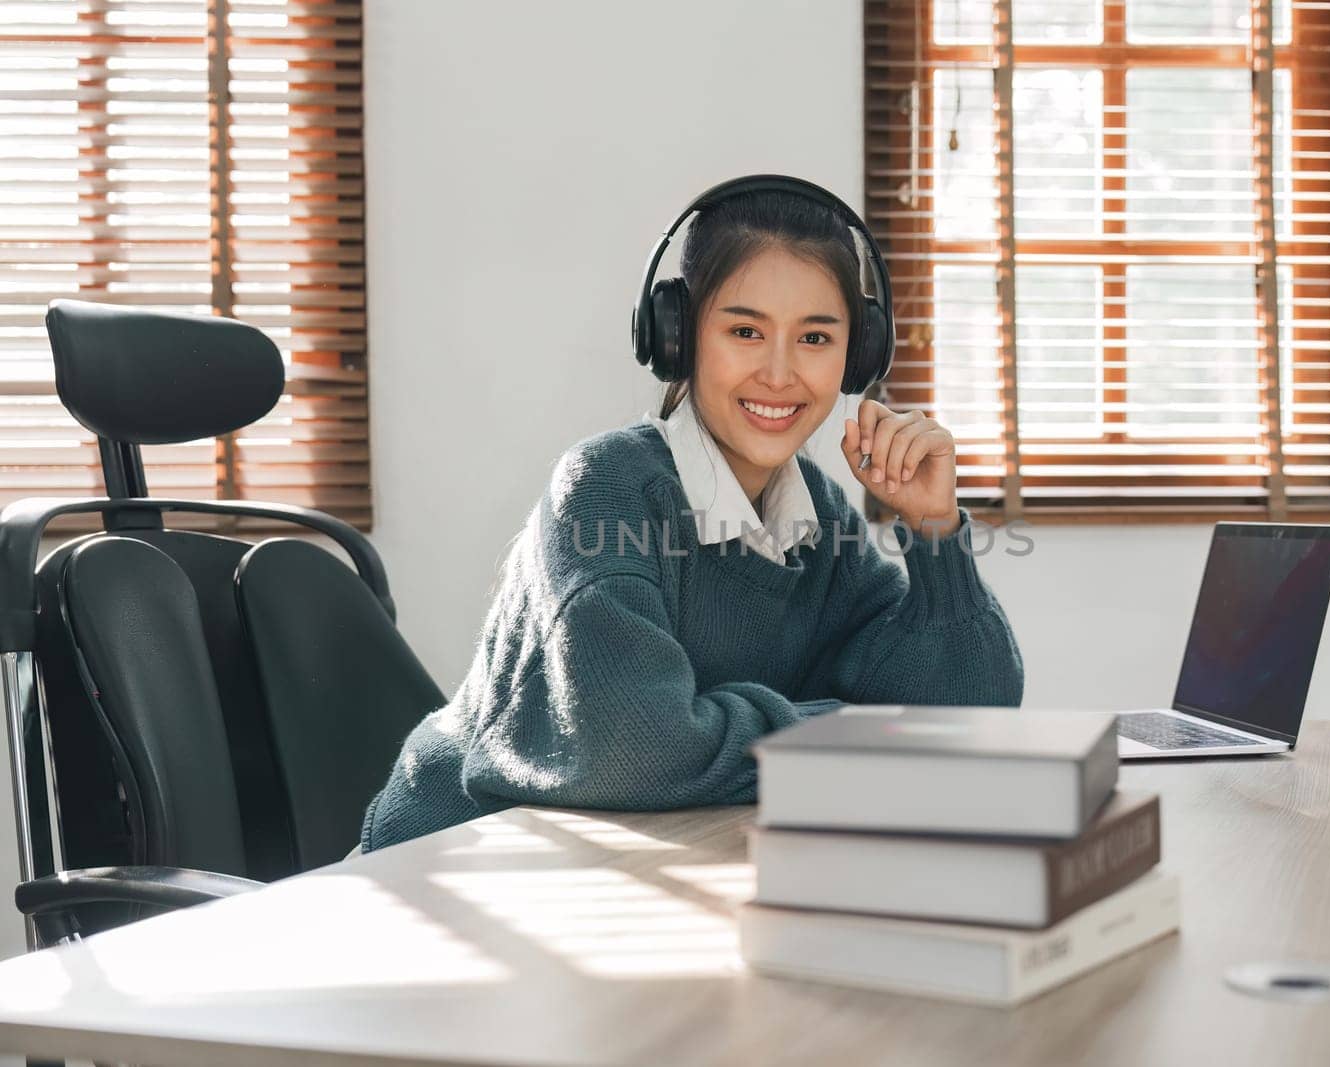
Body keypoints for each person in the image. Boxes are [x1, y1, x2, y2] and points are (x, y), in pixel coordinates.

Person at [360, 176, 1024, 852]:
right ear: (678, 337)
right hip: (448, 859)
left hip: (619, 857)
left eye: (816, 338)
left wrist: (934, 531)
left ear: (858, 356)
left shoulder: (816, 516)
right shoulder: (605, 490)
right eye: (744, 330)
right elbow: (632, 744)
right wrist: (849, 731)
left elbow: (970, 707)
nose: (778, 372)